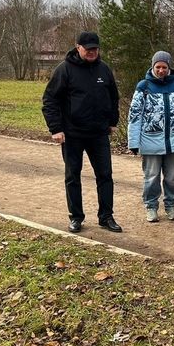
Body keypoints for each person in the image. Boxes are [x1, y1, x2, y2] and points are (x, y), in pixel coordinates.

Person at [42, 31, 122, 234]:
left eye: (95, 49)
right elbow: (50, 100)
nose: (92, 52)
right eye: (88, 49)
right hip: (72, 134)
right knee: (72, 176)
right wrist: (56, 129)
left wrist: (112, 121)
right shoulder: (64, 70)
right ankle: (76, 217)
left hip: (98, 133)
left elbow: (113, 97)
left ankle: (106, 216)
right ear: (78, 48)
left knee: (105, 175)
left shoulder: (104, 70)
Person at [127, 51, 174, 222]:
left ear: (169, 67)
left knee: (172, 177)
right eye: (157, 67)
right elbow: (135, 115)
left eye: (164, 67)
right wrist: (133, 142)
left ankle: (171, 205)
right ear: (152, 67)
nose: (161, 70)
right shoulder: (144, 87)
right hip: (150, 140)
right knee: (151, 176)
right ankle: (151, 206)